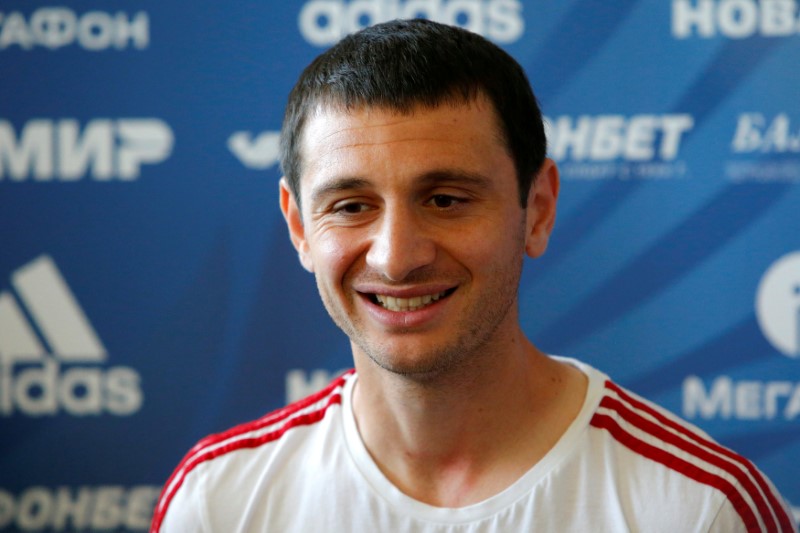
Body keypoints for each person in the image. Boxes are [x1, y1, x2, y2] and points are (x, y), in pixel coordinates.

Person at [151, 19, 794, 532]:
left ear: (536, 210)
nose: (395, 257)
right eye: (351, 206)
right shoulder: (218, 504)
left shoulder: (698, 509)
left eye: (446, 200)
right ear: (299, 228)